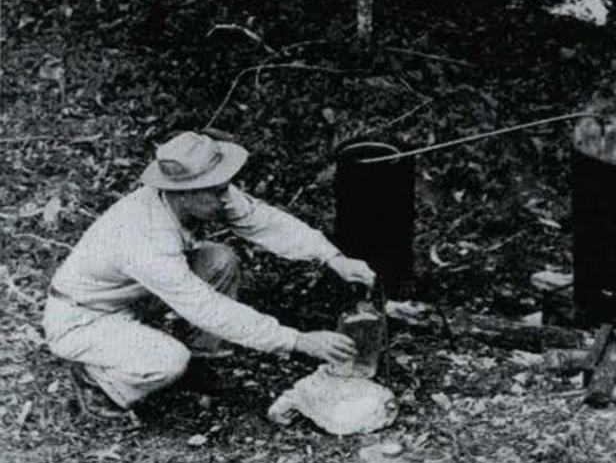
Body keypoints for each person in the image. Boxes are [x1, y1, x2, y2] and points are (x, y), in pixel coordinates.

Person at [44, 131, 377, 419]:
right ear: (184, 193)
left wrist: (333, 257)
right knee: (169, 359)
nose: (225, 195)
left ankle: (201, 363)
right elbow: (206, 307)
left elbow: (264, 221)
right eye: (216, 190)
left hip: (135, 296)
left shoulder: (199, 196)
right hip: (85, 318)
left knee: (219, 259)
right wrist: (298, 341)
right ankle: (97, 383)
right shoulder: (143, 235)